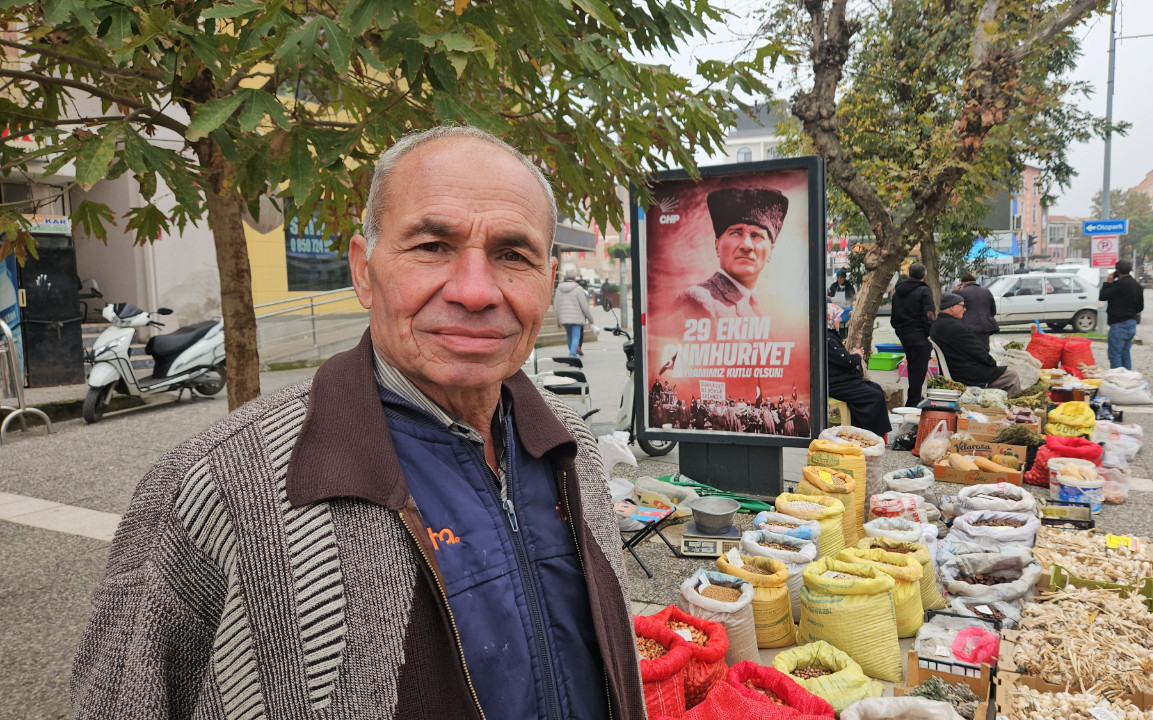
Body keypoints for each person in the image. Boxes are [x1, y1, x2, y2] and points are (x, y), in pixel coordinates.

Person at [71, 127, 646, 719]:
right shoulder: (212, 485)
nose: (476, 291)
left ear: (547, 283)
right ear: (364, 271)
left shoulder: (571, 447)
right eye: (432, 246)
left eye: (513, 255)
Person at [674, 186, 787, 319]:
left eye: (757, 235)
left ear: (770, 252)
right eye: (735, 233)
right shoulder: (698, 300)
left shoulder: (758, 309)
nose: (746, 246)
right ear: (717, 245)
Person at [929, 293, 1022, 394]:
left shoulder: (937, 324)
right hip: (967, 374)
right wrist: (992, 363)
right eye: (962, 306)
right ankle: (1012, 407)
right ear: (952, 307)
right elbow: (976, 350)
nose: (964, 309)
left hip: (956, 369)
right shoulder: (954, 327)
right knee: (1012, 375)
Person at [826, 304, 892, 435]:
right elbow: (846, 361)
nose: (840, 320)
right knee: (874, 395)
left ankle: (875, 432)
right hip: (837, 384)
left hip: (840, 380)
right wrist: (857, 356)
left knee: (876, 388)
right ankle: (868, 432)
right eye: (838, 317)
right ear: (831, 318)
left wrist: (853, 354)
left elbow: (840, 358)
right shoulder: (828, 339)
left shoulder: (829, 336)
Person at [890, 262, 935, 407]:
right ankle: (913, 402)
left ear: (909, 274)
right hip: (919, 334)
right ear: (924, 276)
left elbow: (894, 316)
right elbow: (929, 315)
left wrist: (899, 330)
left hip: (904, 333)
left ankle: (914, 397)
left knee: (913, 366)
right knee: (919, 369)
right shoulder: (924, 291)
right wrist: (929, 332)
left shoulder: (898, 291)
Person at [1099, 258, 1144, 370]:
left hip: (1119, 324)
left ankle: (1118, 380)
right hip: (1131, 324)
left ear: (1117, 271)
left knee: (1115, 354)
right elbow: (1140, 307)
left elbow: (1102, 296)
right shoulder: (1137, 285)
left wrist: (1108, 282)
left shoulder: (1117, 285)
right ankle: (1127, 378)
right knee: (1125, 353)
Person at [953, 272, 999, 349]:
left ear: (963, 284)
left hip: (968, 327)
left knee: (970, 350)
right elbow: (993, 310)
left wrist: (955, 291)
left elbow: (953, 307)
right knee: (984, 350)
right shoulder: (986, 291)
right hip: (984, 327)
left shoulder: (961, 292)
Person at [554, 268, 593, 356]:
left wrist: (557, 321)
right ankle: (572, 354)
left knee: (569, 336)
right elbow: (584, 306)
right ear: (575, 278)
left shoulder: (558, 289)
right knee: (576, 336)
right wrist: (590, 319)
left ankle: (571, 353)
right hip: (576, 318)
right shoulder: (578, 289)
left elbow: (555, 306)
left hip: (564, 318)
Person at [828, 268, 856, 335]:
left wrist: (846, 302)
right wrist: (831, 298)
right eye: (838, 278)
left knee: (844, 328)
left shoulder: (849, 287)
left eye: (841, 278)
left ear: (844, 278)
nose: (839, 280)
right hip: (836, 310)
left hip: (846, 311)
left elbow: (852, 298)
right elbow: (829, 296)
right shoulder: (833, 286)